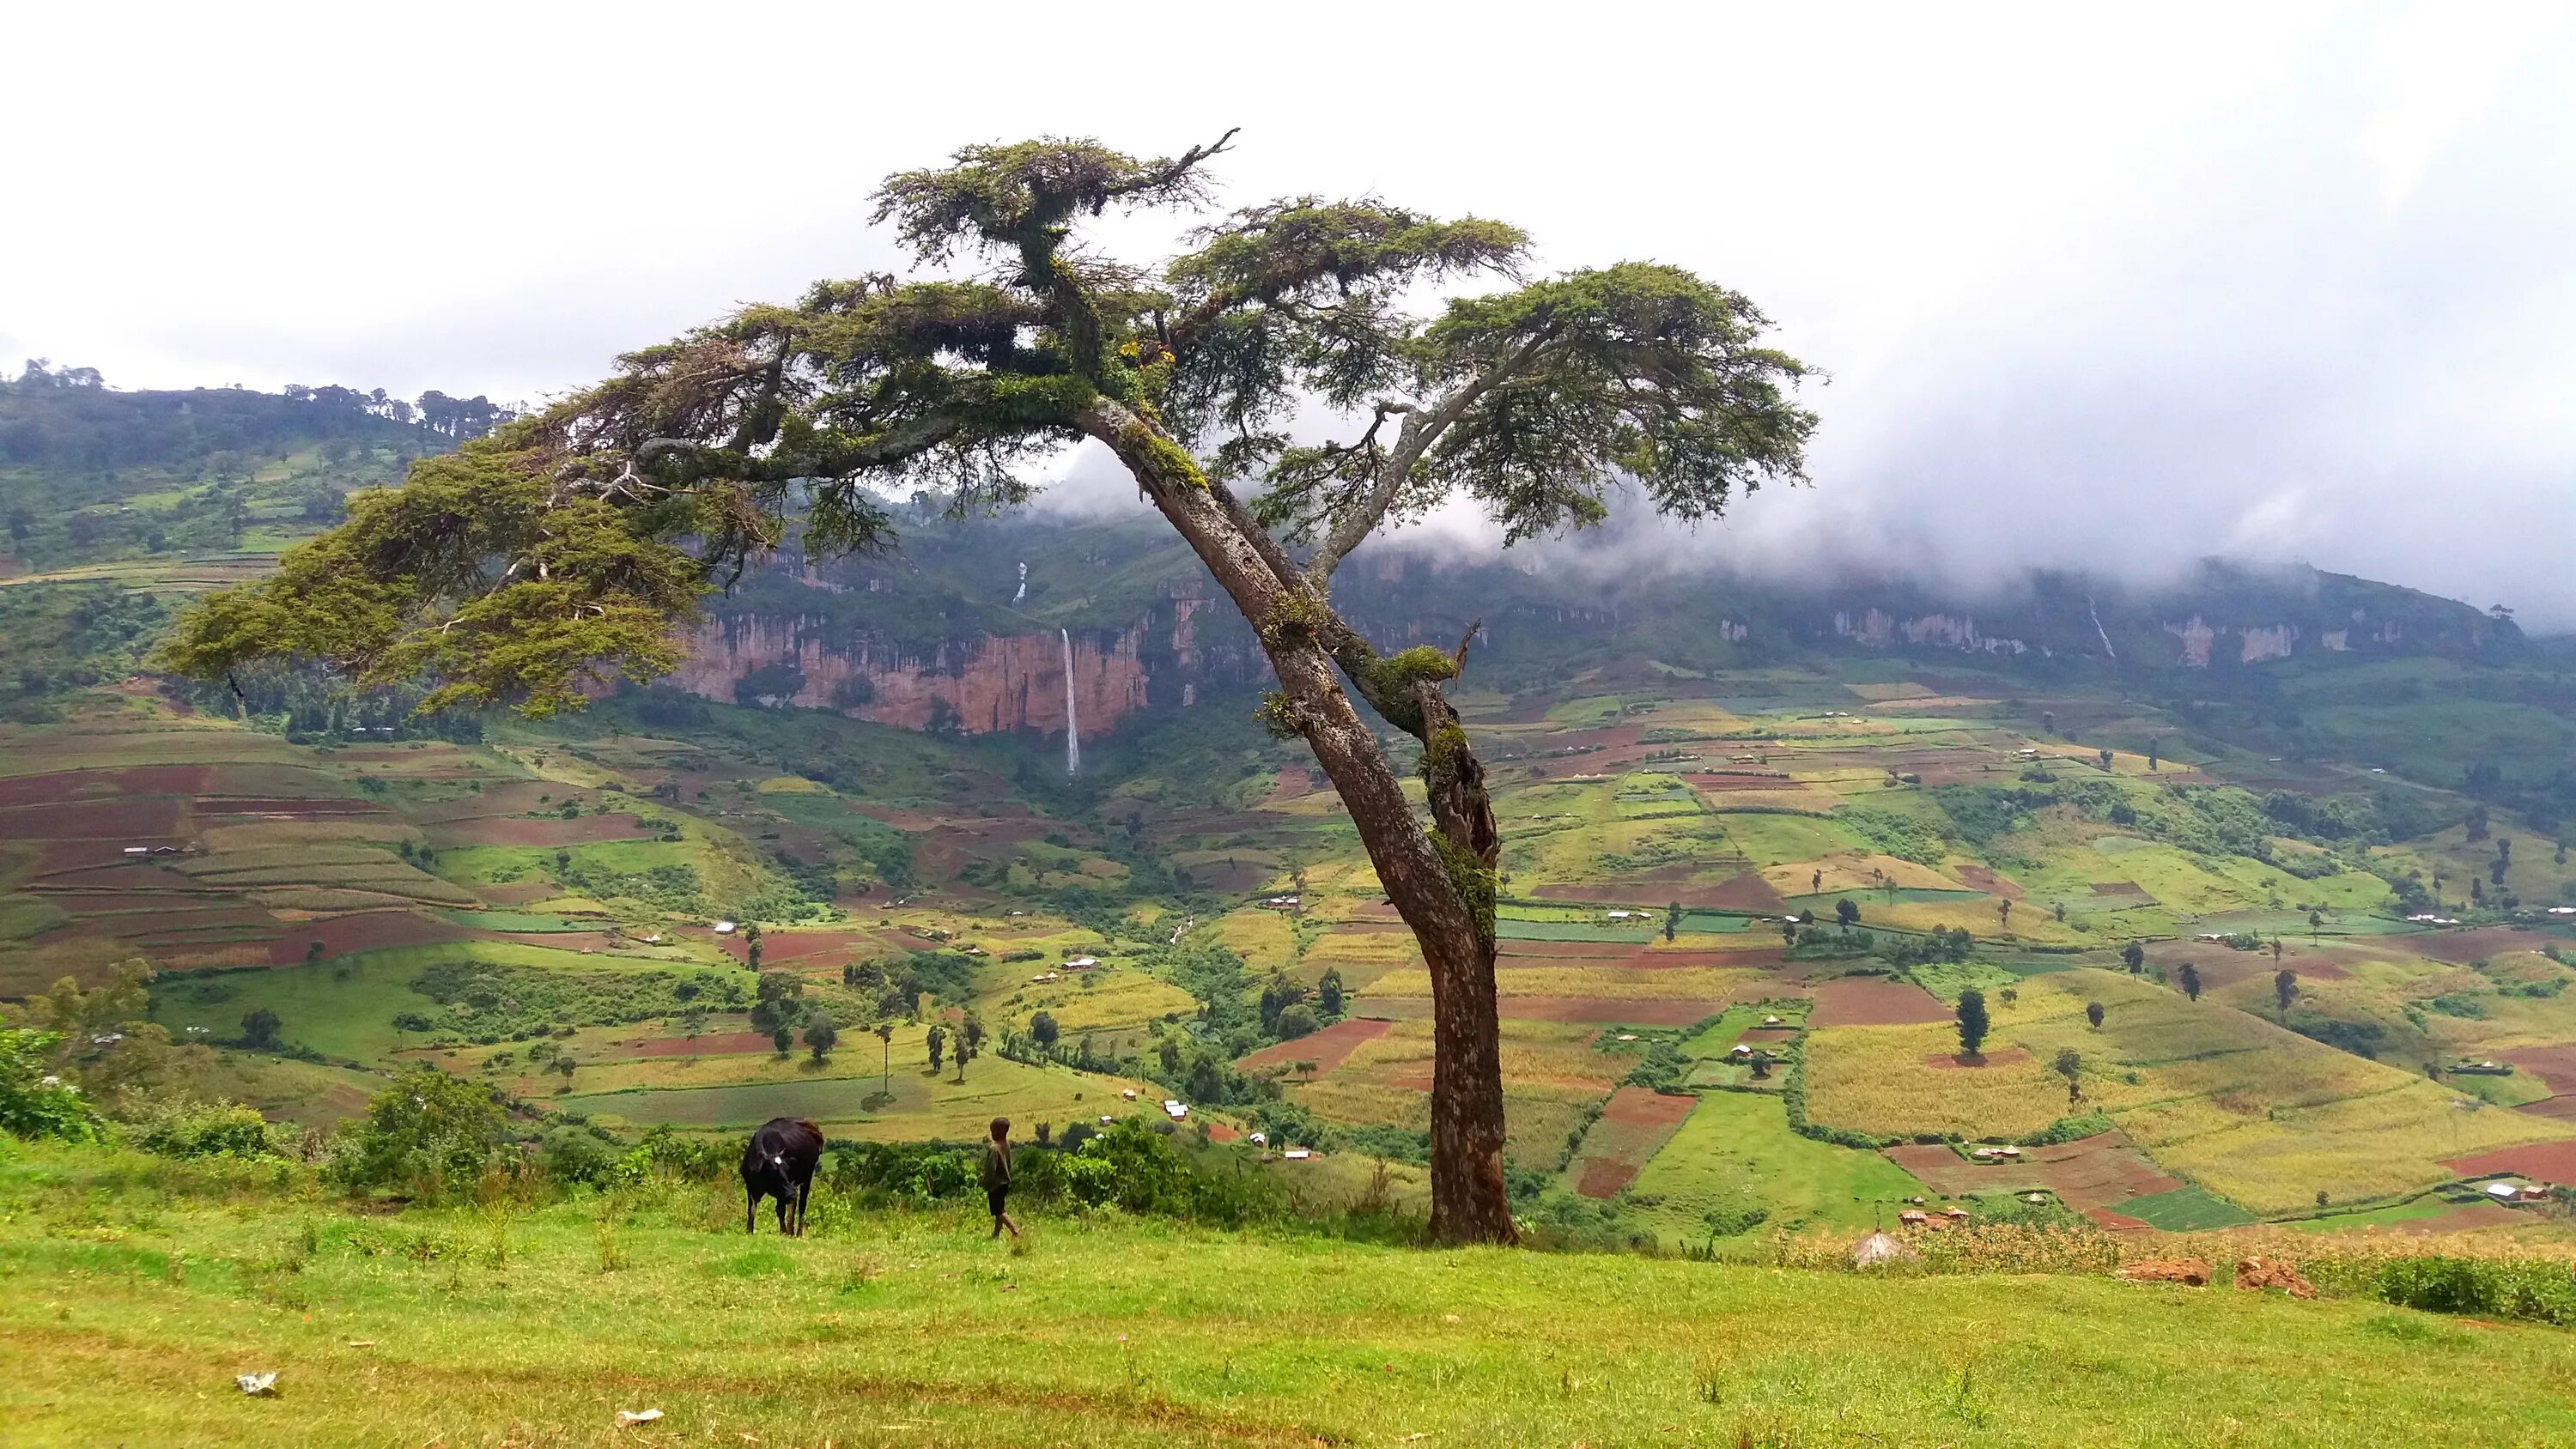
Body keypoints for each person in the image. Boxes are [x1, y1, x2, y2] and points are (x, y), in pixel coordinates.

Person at [981, 1116, 1021, 1240]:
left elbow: (991, 1169)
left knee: (999, 1211)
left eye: (993, 1131)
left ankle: (1015, 1230)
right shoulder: (1006, 1145)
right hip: (1005, 1182)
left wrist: (986, 1183)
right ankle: (996, 1235)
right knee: (1000, 1209)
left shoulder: (994, 1149)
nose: (992, 1133)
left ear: (998, 1131)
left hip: (996, 1184)